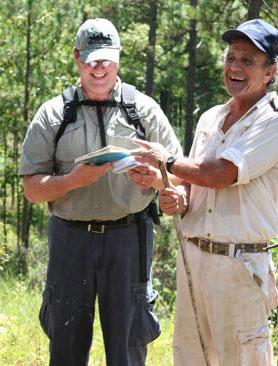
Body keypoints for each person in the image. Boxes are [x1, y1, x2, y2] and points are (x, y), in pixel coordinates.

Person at [19, 18, 182, 366]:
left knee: (127, 348)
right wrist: (70, 182)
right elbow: (32, 189)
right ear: (77, 58)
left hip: (129, 238)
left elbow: (179, 180)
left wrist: (155, 179)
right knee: (65, 346)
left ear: (119, 58)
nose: (99, 68)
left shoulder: (144, 111)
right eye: (91, 59)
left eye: (106, 59)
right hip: (70, 239)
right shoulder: (53, 115)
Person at [133, 19, 278, 366]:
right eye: (231, 57)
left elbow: (222, 174)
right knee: (190, 358)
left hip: (239, 267)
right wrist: (171, 192)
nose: (234, 67)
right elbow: (192, 187)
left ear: (270, 72)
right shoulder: (210, 118)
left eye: (247, 60)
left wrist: (167, 160)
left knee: (242, 359)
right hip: (193, 260)